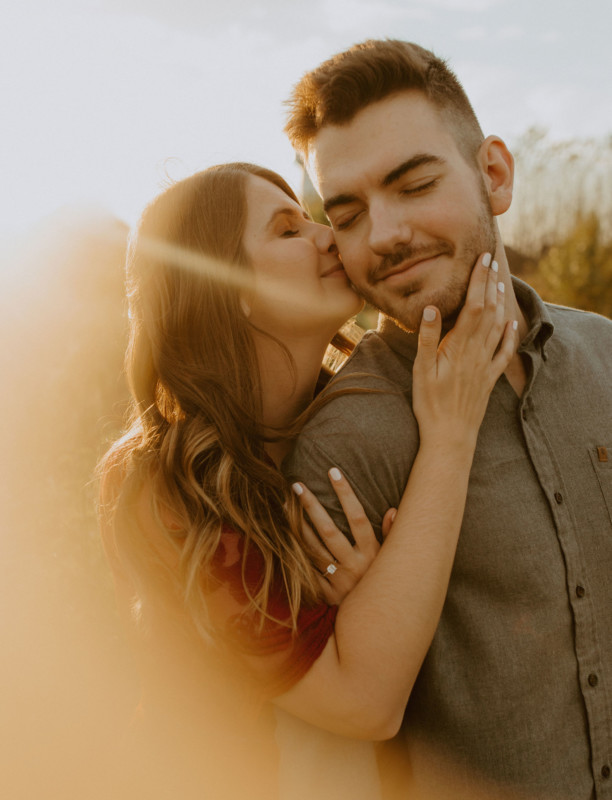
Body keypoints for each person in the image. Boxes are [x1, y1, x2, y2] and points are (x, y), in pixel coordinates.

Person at [98, 161, 515, 799]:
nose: (329, 237)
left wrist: (369, 599)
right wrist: (450, 436)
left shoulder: (351, 427)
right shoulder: (171, 488)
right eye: (288, 230)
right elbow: (364, 702)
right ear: (224, 283)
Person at [283, 39, 612, 799]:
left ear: (492, 174)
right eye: (350, 212)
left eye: (414, 183)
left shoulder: (604, 355)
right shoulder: (340, 446)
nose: (386, 234)